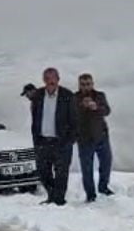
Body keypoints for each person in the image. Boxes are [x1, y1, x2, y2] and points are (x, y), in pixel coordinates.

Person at [29, 67, 79, 205]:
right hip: (42, 141)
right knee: (43, 171)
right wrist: (36, 138)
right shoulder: (38, 95)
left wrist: (70, 140)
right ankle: (52, 195)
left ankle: (59, 199)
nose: (50, 81)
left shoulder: (67, 95)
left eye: (53, 78)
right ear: (44, 80)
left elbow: (75, 119)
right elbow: (35, 116)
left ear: (58, 79)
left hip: (61, 141)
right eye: (47, 78)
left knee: (62, 172)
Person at [76, 73, 113, 202]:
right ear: (79, 85)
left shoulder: (100, 96)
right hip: (84, 138)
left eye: (88, 84)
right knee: (87, 168)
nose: (86, 87)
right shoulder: (74, 98)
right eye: (83, 84)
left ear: (92, 84)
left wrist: (95, 107)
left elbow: (107, 111)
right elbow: (70, 116)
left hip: (101, 136)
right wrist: (82, 106)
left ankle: (103, 187)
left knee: (106, 163)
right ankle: (90, 195)